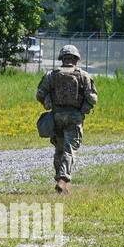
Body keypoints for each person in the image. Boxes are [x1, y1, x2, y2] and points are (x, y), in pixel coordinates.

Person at [35, 44, 97, 194]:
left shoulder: (51, 75)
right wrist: (83, 110)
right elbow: (92, 98)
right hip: (74, 117)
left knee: (59, 149)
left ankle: (60, 182)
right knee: (70, 150)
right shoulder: (83, 75)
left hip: (57, 116)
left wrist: (48, 103)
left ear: (62, 58)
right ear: (76, 59)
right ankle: (63, 179)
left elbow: (40, 94)